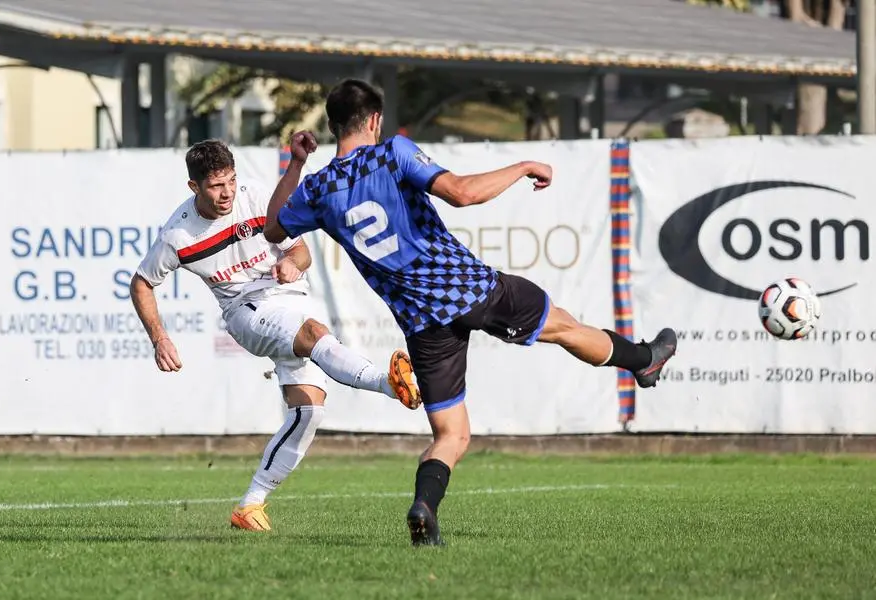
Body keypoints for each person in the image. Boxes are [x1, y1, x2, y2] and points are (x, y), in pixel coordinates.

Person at [262, 79, 677, 546]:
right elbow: (461, 193)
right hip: (469, 288)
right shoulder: (392, 152)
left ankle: (425, 508)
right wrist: (522, 165)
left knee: (452, 435)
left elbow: (273, 227)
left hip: (420, 322)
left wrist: (297, 161)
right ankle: (644, 360)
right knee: (562, 326)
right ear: (375, 120)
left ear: (333, 125)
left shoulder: (317, 188)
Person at [130, 138, 421, 533]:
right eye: (216, 186)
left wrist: (290, 264)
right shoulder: (178, 235)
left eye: (231, 180)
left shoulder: (255, 198)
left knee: (309, 411)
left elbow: (302, 253)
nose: (227, 192)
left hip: (290, 297)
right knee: (315, 333)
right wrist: (159, 337)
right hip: (245, 311)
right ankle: (388, 384)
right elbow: (142, 282)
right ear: (194, 188)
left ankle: (250, 506)